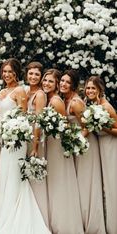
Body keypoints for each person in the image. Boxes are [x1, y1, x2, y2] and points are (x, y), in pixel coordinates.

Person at [0, 58, 50, 234]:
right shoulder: (2, 92)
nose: (6, 74)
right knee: (5, 177)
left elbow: (24, 117)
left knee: (14, 178)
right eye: (4, 71)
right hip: (4, 141)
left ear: (17, 73)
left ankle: (14, 219)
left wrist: (16, 134)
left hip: (16, 141)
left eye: (10, 71)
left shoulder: (20, 91)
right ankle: (4, 216)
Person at [60, 70, 105, 233]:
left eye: (67, 82)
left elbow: (87, 127)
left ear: (73, 85)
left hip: (85, 146)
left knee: (87, 185)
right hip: (76, 146)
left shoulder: (76, 103)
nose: (63, 84)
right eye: (62, 81)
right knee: (79, 185)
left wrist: (76, 141)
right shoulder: (64, 100)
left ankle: (93, 225)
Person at [42, 69, 83, 234]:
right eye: (45, 80)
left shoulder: (56, 101)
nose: (46, 83)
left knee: (60, 181)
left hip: (57, 145)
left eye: (51, 81)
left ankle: (65, 224)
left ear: (56, 84)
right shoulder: (49, 99)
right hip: (51, 144)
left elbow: (65, 127)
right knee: (54, 182)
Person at [84, 76, 117, 233]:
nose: (90, 91)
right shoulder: (94, 106)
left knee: (112, 186)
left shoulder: (106, 107)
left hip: (110, 147)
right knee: (105, 186)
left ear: (100, 90)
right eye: (88, 88)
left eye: (93, 88)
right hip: (101, 147)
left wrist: (104, 129)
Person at [25, 61, 49, 227]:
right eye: (31, 73)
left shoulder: (40, 94)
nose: (33, 77)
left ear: (41, 78)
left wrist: (35, 147)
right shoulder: (25, 91)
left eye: (36, 75)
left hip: (34, 139)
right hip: (23, 136)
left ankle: (38, 217)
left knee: (34, 177)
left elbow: (39, 122)